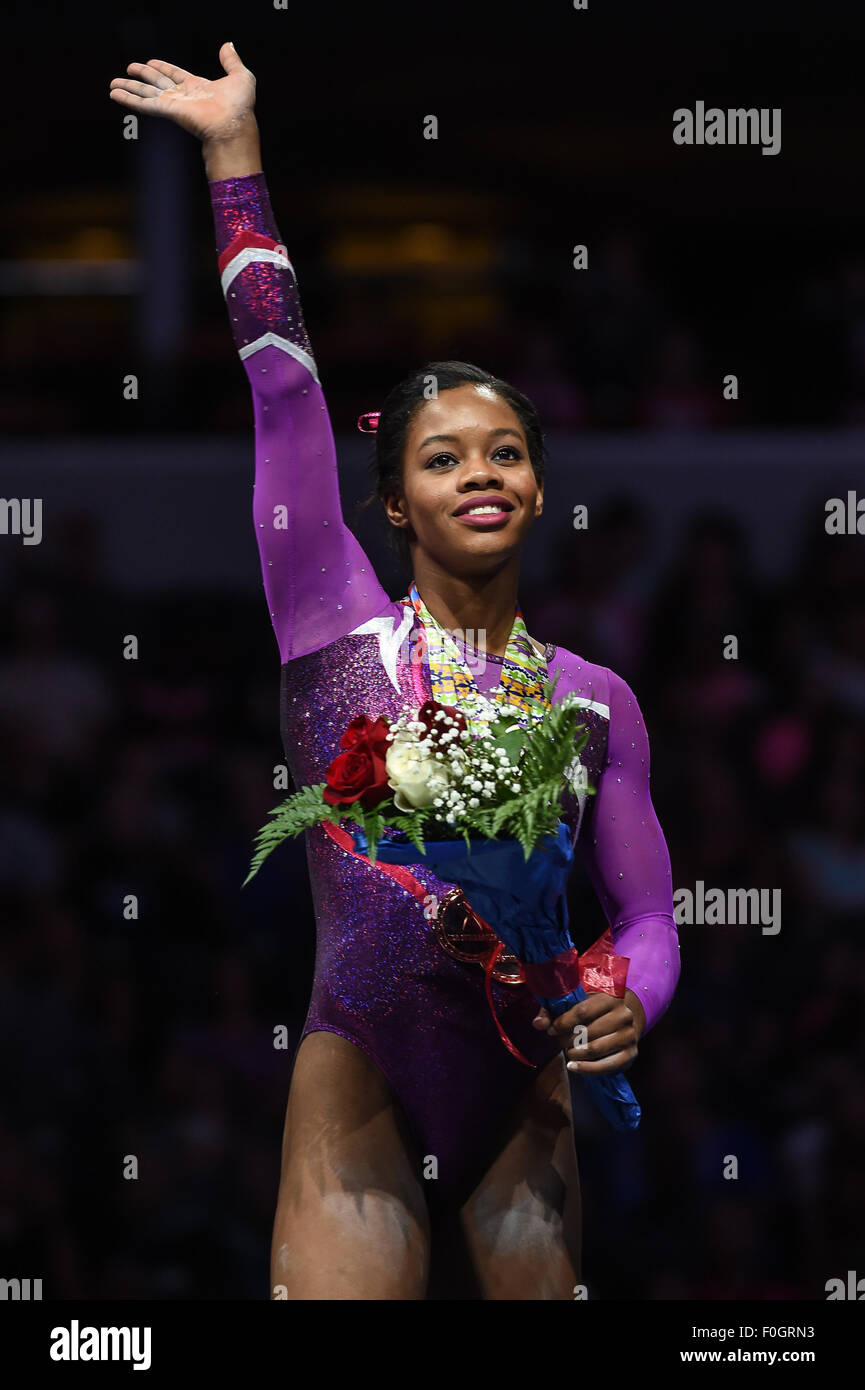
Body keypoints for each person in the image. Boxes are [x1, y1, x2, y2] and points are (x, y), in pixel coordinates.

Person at [108, 43, 679, 1300]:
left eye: (506, 451)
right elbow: (279, 391)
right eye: (444, 458)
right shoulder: (327, 618)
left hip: (521, 1079)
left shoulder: (594, 699)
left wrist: (628, 993)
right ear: (395, 507)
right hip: (358, 1068)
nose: (481, 472)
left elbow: (641, 913)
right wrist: (231, 152)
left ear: (535, 487)